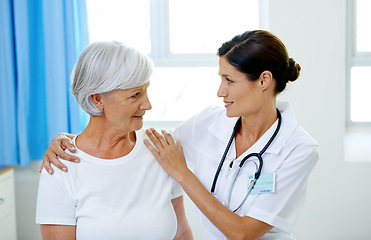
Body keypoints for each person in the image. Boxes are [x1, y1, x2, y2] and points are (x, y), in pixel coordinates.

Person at [41, 30, 319, 240]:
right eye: (136, 94)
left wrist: (183, 172)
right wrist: (65, 140)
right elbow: (157, 146)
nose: (220, 91)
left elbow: (241, 233)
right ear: (98, 99)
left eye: (229, 80)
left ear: (264, 80)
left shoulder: (299, 149)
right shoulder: (211, 121)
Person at [36, 41, 193, 240]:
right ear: (97, 99)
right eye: (135, 95)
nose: (148, 104)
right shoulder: (61, 165)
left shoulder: (162, 150)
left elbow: (182, 233)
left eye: (146, 91)